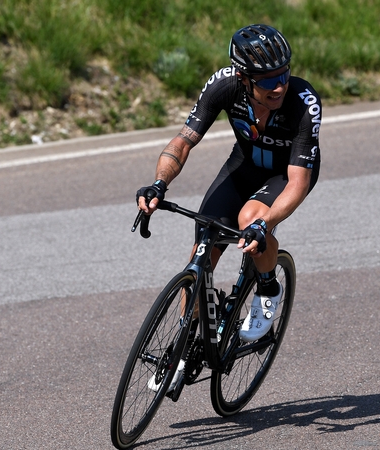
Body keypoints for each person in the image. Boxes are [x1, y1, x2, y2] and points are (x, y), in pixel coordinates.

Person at [137, 24, 321, 388]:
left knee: (251, 219)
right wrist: (159, 183)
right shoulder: (224, 85)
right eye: (267, 81)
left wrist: (264, 223)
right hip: (244, 165)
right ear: (243, 78)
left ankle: (268, 287)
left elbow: (298, 184)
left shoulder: (303, 102)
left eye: (283, 74)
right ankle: (184, 344)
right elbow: (183, 141)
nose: (279, 86)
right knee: (202, 250)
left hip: (288, 173)